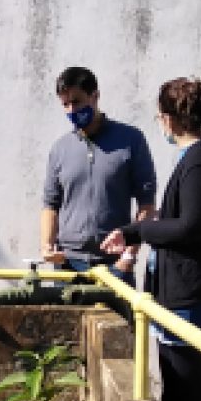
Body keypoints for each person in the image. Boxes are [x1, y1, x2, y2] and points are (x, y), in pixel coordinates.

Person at [101, 77, 201, 401]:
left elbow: (190, 226)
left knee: (185, 384)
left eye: (160, 117)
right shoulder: (199, 159)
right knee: (176, 380)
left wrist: (141, 231)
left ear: (169, 119)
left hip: (188, 289)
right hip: (180, 287)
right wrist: (133, 231)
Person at [41, 66, 155, 278]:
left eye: (77, 102)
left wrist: (128, 256)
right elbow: (50, 205)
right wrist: (47, 246)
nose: (71, 110)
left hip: (114, 264)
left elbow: (147, 205)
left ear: (95, 96)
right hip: (67, 265)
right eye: (65, 104)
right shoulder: (60, 149)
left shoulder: (131, 140)